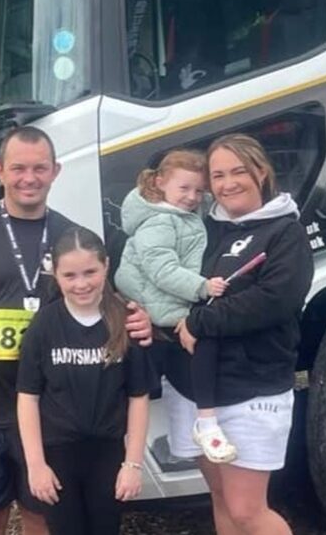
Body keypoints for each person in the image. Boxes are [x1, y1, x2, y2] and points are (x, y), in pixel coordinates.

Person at [0, 126, 152, 535]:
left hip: (50, 416)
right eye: (19, 168)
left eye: (40, 168)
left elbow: (103, 304)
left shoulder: (69, 235)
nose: (30, 178)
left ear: (56, 171)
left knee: (41, 518)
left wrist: (140, 319)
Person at [173, 133, 313, 535]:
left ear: (262, 172)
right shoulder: (207, 231)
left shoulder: (286, 232)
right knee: (221, 499)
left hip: (253, 388)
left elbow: (275, 300)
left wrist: (199, 322)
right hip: (201, 393)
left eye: (238, 171)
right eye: (218, 175)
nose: (228, 183)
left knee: (247, 510)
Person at [17, 226, 155, 535]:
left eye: (90, 272)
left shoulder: (125, 320)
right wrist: (36, 465)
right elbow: (28, 397)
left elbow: (138, 396)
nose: (81, 284)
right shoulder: (45, 325)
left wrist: (132, 465)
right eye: (70, 276)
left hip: (107, 453)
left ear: (106, 266)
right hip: (58, 454)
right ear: (56, 274)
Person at [114, 149, 235, 463]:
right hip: (164, 312)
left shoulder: (178, 218)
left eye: (199, 191)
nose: (192, 197)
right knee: (199, 351)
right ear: (160, 182)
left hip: (164, 308)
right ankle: (207, 424)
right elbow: (162, 270)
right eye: (184, 188)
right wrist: (202, 288)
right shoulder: (161, 222)